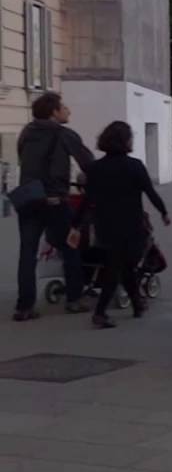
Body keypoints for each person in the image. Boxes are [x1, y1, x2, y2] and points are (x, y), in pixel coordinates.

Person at [67, 122, 170, 329]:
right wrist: (163, 212)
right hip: (131, 225)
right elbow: (150, 193)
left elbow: (87, 200)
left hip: (105, 226)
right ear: (126, 141)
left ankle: (137, 304)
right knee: (118, 267)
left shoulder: (95, 168)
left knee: (122, 265)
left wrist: (75, 226)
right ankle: (100, 313)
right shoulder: (135, 166)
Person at [13, 92, 96, 320]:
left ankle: (24, 307)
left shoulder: (26, 133)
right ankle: (74, 299)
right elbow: (88, 163)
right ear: (54, 112)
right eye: (64, 107)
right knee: (71, 246)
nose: (68, 111)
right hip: (55, 201)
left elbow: (23, 158)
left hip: (29, 200)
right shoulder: (64, 134)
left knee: (27, 253)